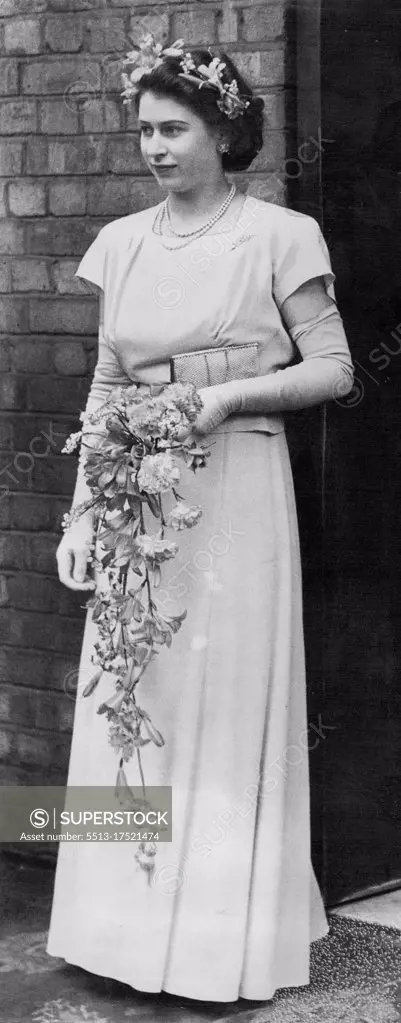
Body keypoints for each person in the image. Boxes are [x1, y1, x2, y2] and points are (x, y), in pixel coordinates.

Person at [46, 36, 354, 1003]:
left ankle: (220, 943)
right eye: (144, 130)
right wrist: (79, 514)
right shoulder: (123, 243)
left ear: (224, 131)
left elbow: (336, 367)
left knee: (219, 704)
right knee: (129, 701)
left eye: (174, 129)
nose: (155, 147)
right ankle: (115, 935)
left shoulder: (282, 233)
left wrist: (225, 401)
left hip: (235, 483)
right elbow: (104, 382)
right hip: (135, 488)